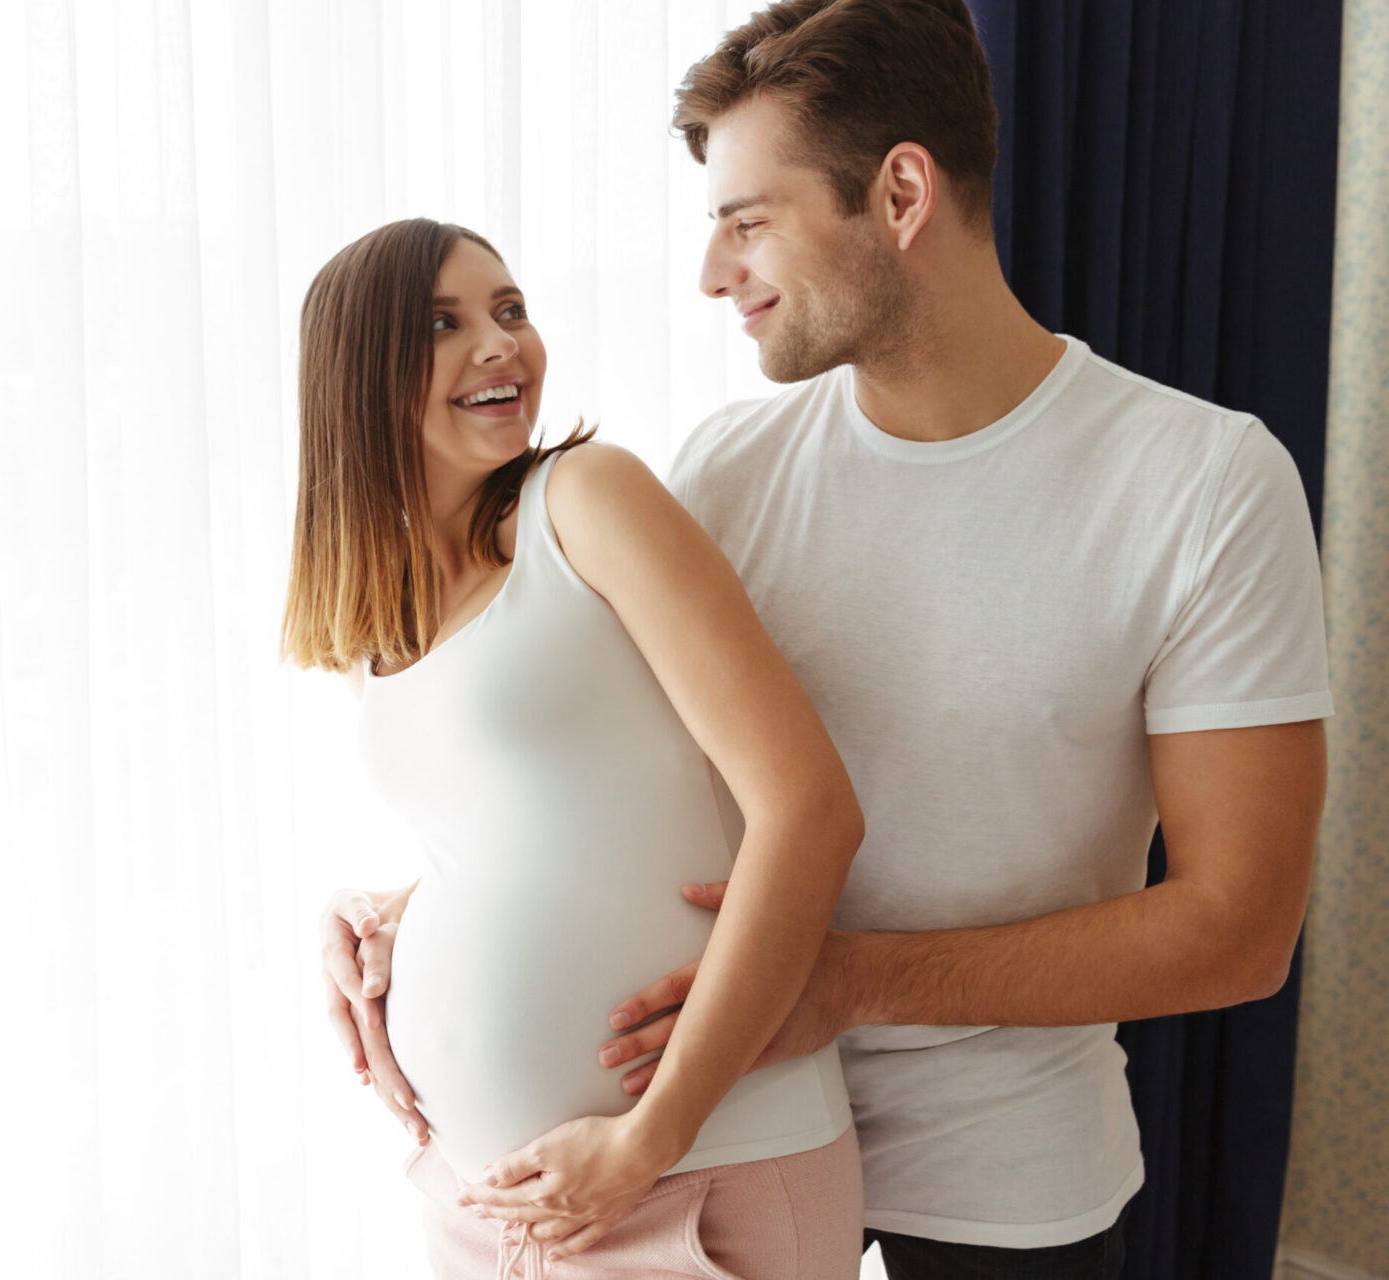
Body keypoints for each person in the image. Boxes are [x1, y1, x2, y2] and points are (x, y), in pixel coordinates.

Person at [325, 3, 1332, 1278]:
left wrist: (848, 981)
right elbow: (634, 783)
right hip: (712, 1140)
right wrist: (412, 916)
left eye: (750, 221)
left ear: (901, 192)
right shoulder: (727, 468)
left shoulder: (1203, 482)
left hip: (999, 1186)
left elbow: (1239, 927)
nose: (713, 273)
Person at [288, 217, 868, 1278]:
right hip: (478, 1194)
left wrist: (651, 1134)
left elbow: (811, 808)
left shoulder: (588, 499)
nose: (501, 342)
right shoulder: (387, 615)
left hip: (690, 1178)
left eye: (511, 310)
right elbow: (547, 821)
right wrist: (391, 914)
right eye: (443, 323)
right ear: (356, 375)